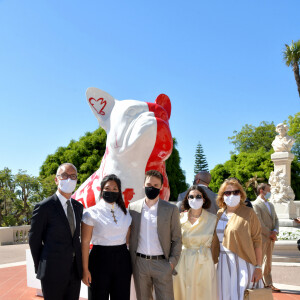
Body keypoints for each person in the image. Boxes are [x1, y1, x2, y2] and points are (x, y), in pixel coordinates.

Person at [29, 163, 83, 300]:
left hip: (74, 273)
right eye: (64, 175)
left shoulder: (78, 207)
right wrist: (42, 266)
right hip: (52, 273)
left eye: (73, 176)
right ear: (56, 179)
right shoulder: (44, 207)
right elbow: (34, 240)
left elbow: (76, 238)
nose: (69, 179)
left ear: (77, 179)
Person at [129, 170, 182, 300]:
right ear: (143, 185)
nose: (151, 188)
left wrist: (171, 263)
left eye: (156, 185)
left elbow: (177, 238)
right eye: (149, 184)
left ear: (161, 187)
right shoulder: (132, 208)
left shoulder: (171, 209)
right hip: (140, 264)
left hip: (162, 264)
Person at [81, 174, 132, 300]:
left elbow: (128, 240)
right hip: (99, 259)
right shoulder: (91, 213)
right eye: (108, 188)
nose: (111, 191)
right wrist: (85, 269)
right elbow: (85, 242)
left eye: (115, 189)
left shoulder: (126, 213)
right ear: (102, 189)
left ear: (119, 191)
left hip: (122, 260)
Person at [211, 178, 263, 300]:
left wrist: (258, 267)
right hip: (224, 263)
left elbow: (257, 241)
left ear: (241, 194)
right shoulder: (219, 214)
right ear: (222, 196)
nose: (232, 195)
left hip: (243, 262)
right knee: (225, 296)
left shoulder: (249, 213)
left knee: (242, 296)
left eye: (236, 192)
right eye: (228, 193)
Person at [173, 185, 217, 300]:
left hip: (203, 263)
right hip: (182, 262)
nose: (194, 199)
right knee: (181, 293)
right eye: (191, 196)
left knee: (203, 293)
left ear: (204, 199)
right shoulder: (179, 218)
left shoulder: (213, 219)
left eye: (198, 196)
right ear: (187, 199)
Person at [252, 183, 280, 292]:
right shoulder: (255, 205)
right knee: (258, 262)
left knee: (268, 261)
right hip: (262, 237)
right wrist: (269, 233)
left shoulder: (271, 205)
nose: (270, 192)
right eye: (269, 190)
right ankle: (257, 283)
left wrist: (275, 231)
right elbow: (259, 222)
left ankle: (268, 284)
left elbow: (276, 219)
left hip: (271, 237)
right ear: (261, 191)